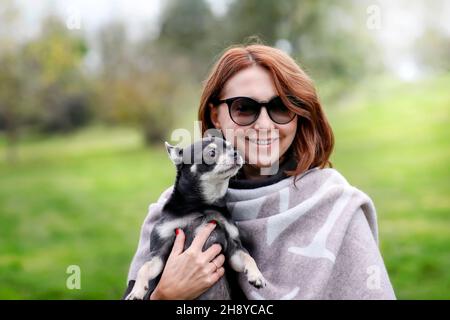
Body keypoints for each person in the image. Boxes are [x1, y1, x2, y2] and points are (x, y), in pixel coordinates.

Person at [123, 44, 396, 300]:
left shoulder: (336, 206)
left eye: (281, 107)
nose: (264, 124)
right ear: (216, 116)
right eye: (244, 108)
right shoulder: (172, 210)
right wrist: (165, 295)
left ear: (298, 114)